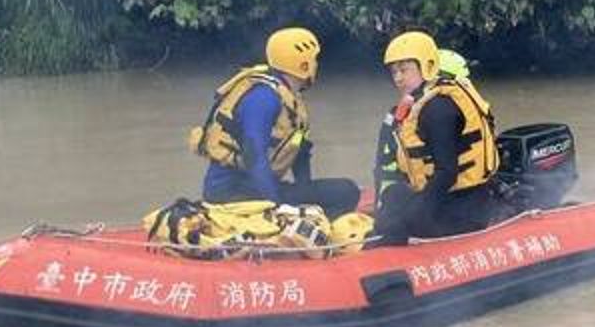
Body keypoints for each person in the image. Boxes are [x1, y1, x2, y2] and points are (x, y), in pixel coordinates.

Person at [190, 27, 360, 217]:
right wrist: (277, 206)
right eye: (314, 59)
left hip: (255, 186)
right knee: (347, 191)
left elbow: (300, 152)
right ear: (302, 65)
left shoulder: (288, 95)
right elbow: (254, 157)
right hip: (232, 194)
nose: (316, 64)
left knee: (346, 191)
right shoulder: (264, 98)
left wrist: (307, 194)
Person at [373, 32, 499, 244]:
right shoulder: (424, 102)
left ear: (428, 66)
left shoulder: (438, 108)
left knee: (392, 227)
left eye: (404, 70)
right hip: (449, 197)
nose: (398, 78)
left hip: (466, 208)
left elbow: (447, 172)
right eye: (394, 72)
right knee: (392, 196)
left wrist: (417, 211)